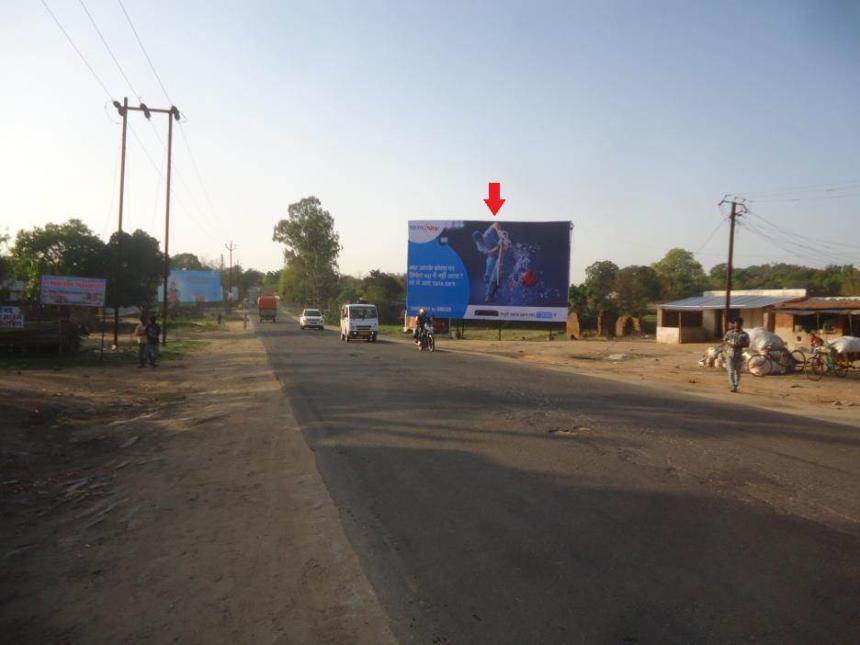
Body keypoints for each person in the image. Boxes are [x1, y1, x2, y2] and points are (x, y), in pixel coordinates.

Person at [472, 222, 508, 301]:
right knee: (488, 275)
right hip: (492, 256)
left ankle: (489, 295)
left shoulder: (487, 234)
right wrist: (499, 245)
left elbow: (495, 224)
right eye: (478, 240)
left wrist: (499, 232)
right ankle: (489, 280)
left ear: (482, 236)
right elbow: (491, 252)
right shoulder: (479, 246)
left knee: (494, 275)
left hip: (501, 254)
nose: (480, 241)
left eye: (480, 239)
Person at [723, 317, 750, 392]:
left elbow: (747, 344)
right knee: (731, 371)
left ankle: (736, 385)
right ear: (734, 324)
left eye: (739, 323)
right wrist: (729, 344)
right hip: (729, 354)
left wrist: (738, 346)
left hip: (739, 355)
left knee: (737, 372)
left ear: (741, 324)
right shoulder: (729, 333)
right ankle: (732, 386)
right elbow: (724, 340)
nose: (737, 324)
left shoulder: (744, 334)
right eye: (735, 323)